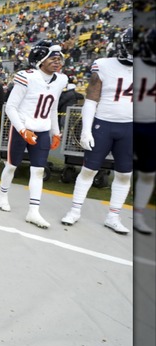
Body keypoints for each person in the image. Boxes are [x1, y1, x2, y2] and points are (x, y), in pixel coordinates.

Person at [60, 28, 134, 234]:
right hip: (104, 124)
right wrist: (86, 130)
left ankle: (113, 216)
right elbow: (91, 99)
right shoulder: (103, 65)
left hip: (130, 127)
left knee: (124, 174)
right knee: (89, 169)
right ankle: (75, 210)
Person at [0, 40, 67, 229]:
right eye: (52, 58)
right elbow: (10, 107)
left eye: (58, 58)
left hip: (43, 130)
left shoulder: (61, 80)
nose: (56, 61)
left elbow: (52, 107)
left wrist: (56, 132)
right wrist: (22, 130)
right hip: (22, 128)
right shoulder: (27, 77)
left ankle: (33, 211)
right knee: (11, 165)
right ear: (40, 59)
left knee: (38, 170)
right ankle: (3, 195)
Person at [131, 27, 156, 235]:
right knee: (123, 169)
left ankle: (138, 215)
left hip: (151, 126)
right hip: (129, 122)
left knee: (148, 173)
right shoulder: (135, 64)